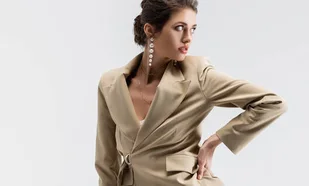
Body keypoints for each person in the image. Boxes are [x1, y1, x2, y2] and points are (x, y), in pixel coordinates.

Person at [94, 0, 288, 185]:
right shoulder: (111, 83)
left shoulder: (197, 74)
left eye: (192, 29)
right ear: (150, 30)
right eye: (179, 28)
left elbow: (271, 103)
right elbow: (106, 161)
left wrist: (215, 141)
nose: (188, 38)